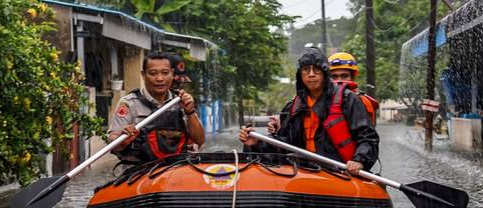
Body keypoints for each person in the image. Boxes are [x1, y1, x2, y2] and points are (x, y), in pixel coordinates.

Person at [239, 47, 378, 175]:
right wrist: (257, 142)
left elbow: (368, 137)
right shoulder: (293, 106)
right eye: (306, 70)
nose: (311, 75)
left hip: (338, 171)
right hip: (302, 171)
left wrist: (360, 160)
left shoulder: (348, 99)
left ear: (324, 73)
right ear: (300, 75)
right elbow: (284, 145)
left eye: (316, 69)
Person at [107, 51, 205, 165]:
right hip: (138, 173)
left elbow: (200, 141)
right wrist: (123, 140)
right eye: (153, 73)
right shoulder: (129, 103)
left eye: (165, 73)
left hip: (177, 171)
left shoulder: (181, 101)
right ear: (143, 75)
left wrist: (190, 112)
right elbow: (112, 144)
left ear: (172, 74)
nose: (159, 78)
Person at [327, 52, 379, 126]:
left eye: (344, 76)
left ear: (352, 77)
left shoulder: (363, 102)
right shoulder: (321, 99)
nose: (339, 80)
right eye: (334, 76)